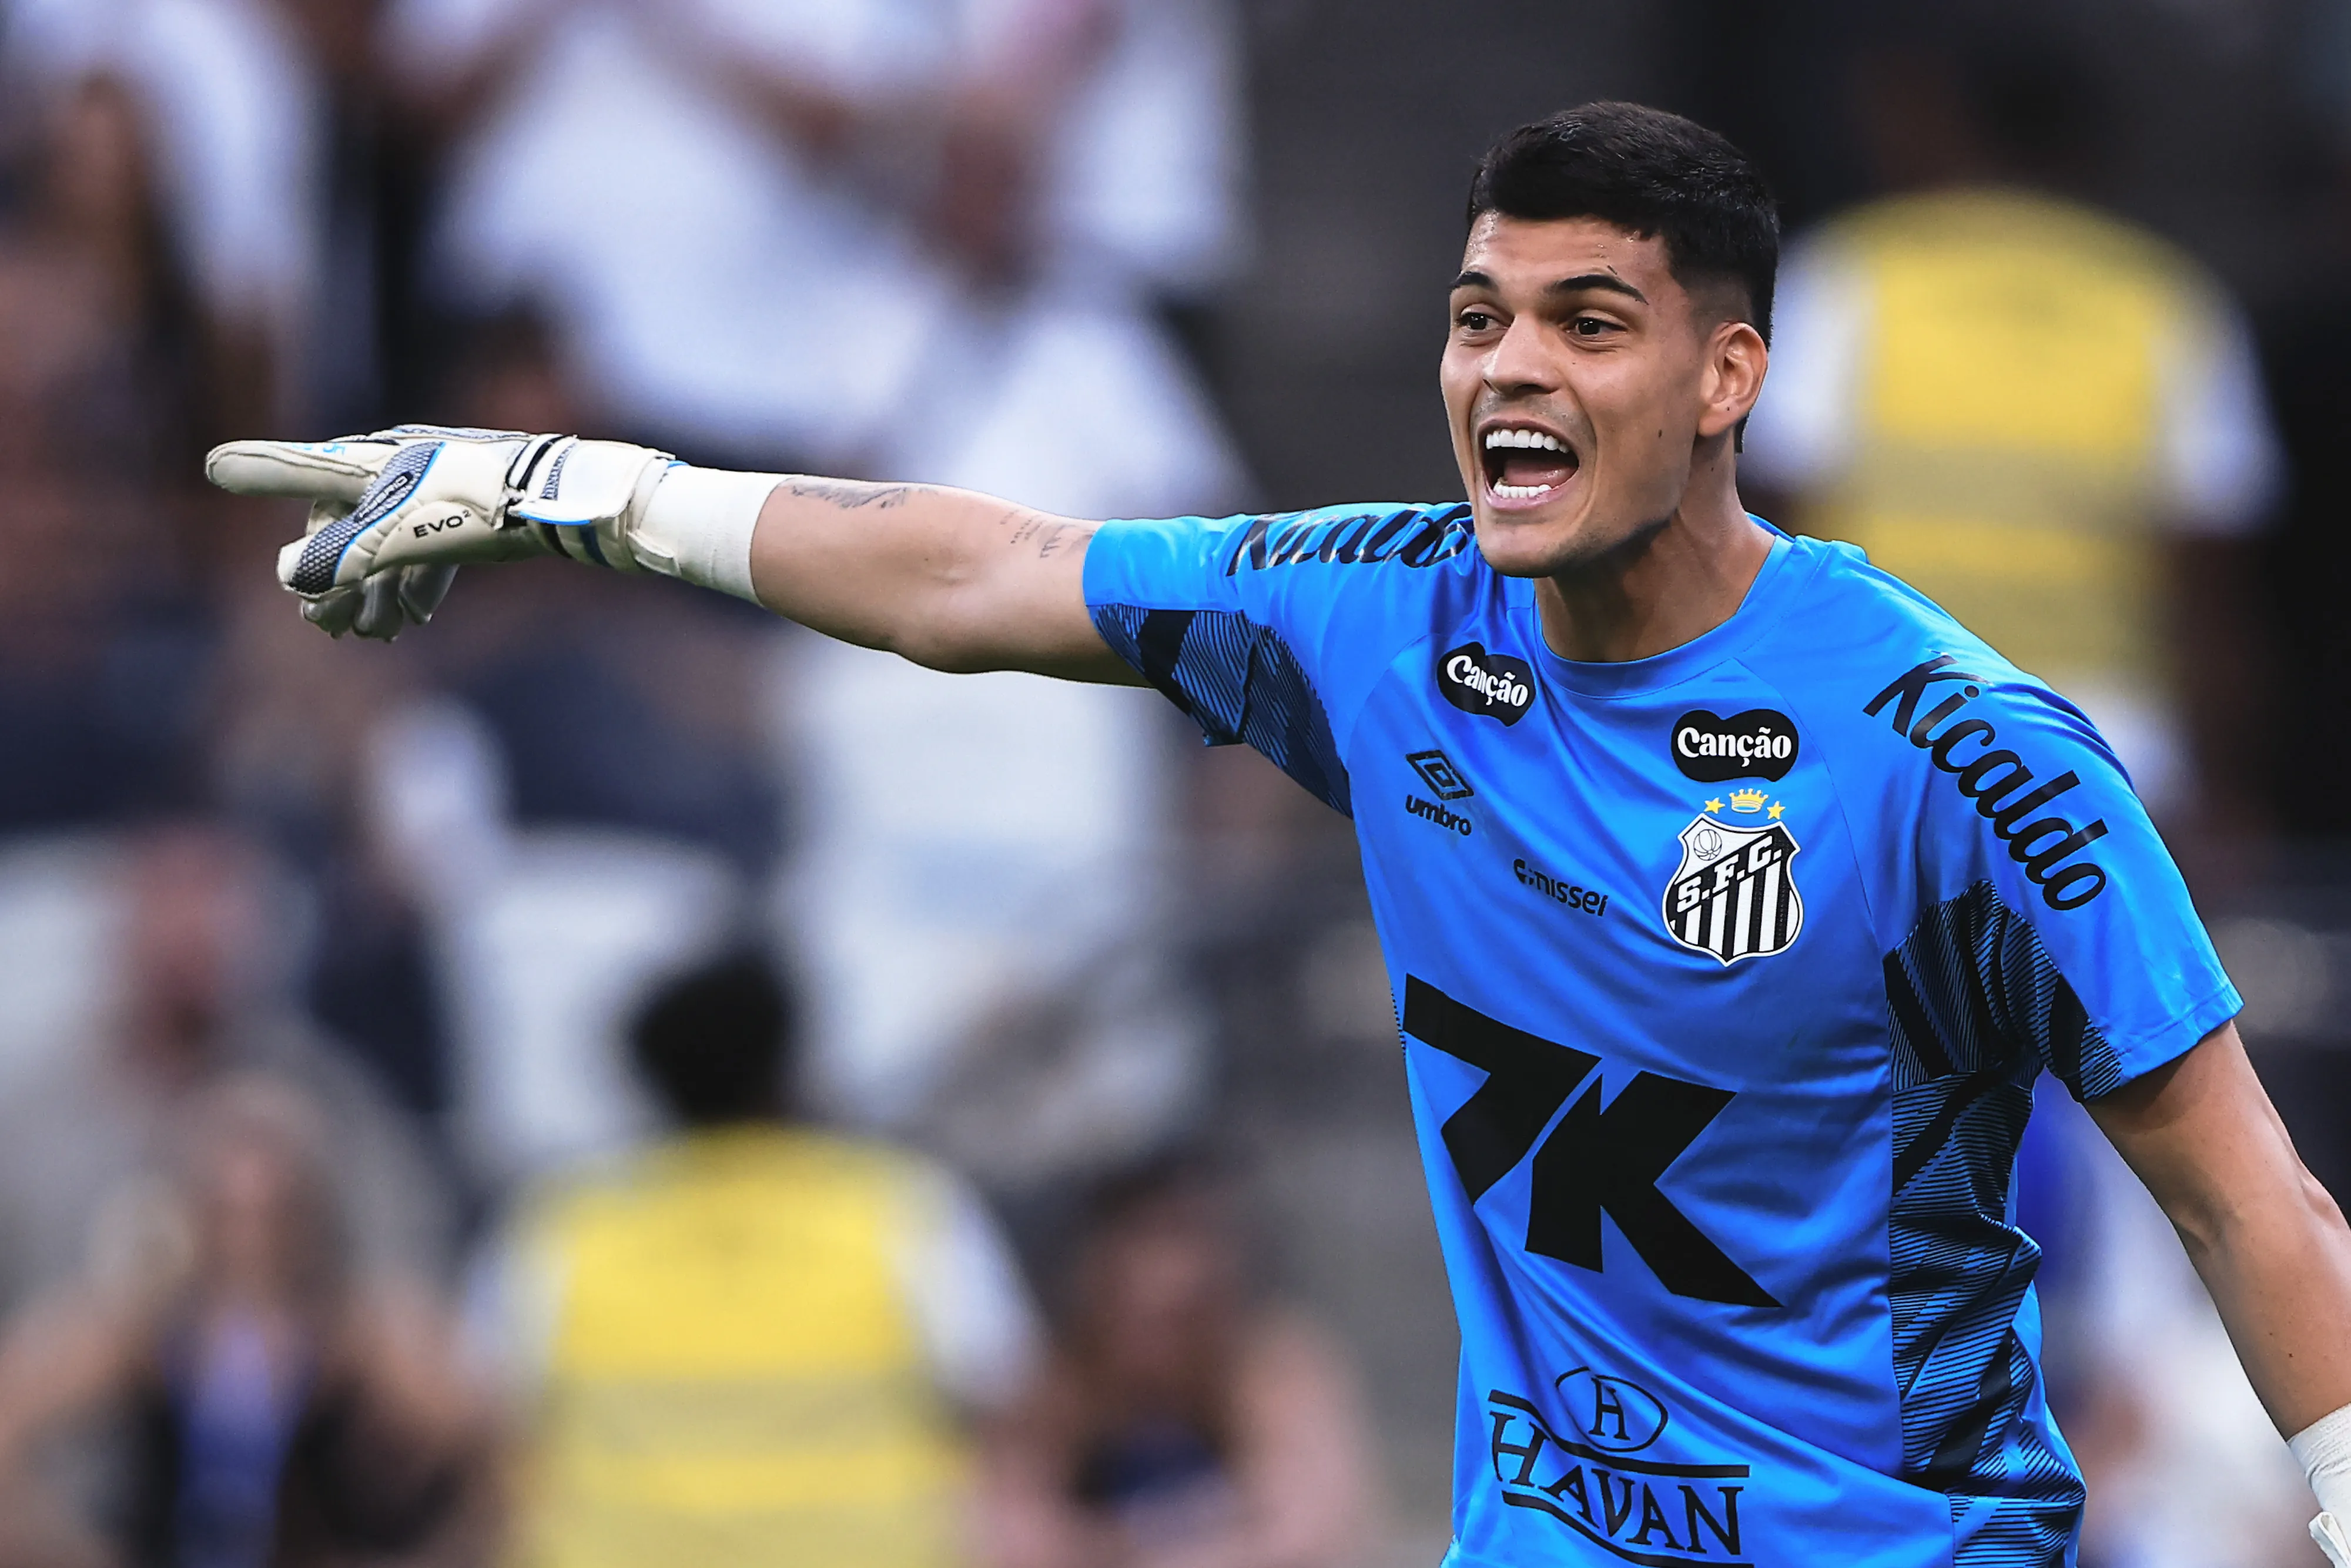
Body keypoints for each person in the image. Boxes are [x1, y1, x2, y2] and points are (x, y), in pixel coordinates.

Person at [207, 102, 2351, 1567]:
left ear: (1727, 380)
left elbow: (2248, 1199)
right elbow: (979, 572)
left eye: (1586, 324)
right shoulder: (1384, 614)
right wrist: (574, 487)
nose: (1507, 369)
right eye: (1476, 316)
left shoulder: (1955, 753)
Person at [463, 950, 1044, 1567]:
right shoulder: (905, 1210)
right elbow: (1008, 1402)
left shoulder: (562, 1227)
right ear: (789, 1066)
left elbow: (480, 1423)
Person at [0, 1073, 491, 1567]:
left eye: (272, 1215)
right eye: (227, 1214)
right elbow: (13, 1412)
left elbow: (486, 1456)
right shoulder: (143, 1327)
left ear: (310, 1215)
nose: (250, 1242)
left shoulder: (359, 1333)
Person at [984, 1160, 1375, 1568]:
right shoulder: (1057, 1380)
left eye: (1178, 1321)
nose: (1153, 1347)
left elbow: (1314, 1525)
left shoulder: (1271, 1365)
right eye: (1129, 1314)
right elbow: (1011, 1536)